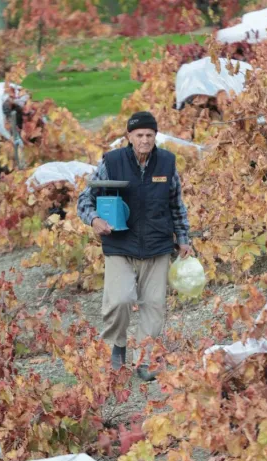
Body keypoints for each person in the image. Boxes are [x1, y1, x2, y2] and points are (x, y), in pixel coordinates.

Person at [77, 111, 193, 381]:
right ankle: (117, 347)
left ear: (155, 137)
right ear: (129, 137)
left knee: (154, 305)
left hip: (158, 244)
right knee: (120, 300)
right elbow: (85, 199)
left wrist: (184, 239)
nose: (144, 140)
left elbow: (177, 205)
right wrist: (94, 219)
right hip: (121, 243)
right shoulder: (112, 161)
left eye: (149, 135)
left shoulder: (166, 162)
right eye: (139, 135)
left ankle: (145, 358)